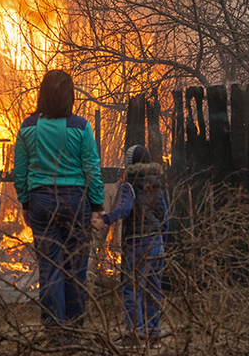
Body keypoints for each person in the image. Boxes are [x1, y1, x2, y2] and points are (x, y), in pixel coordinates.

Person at [13, 70, 104, 344]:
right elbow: (92, 169)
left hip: (41, 201)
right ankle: (75, 331)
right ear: (70, 95)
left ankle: (55, 334)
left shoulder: (28, 126)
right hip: (75, 201)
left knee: (50, 267)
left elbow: (20, 170)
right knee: (75, 268)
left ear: (42, 93)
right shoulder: (81, 126)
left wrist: (26, 202)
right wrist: (97, 206)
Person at [102, 145, 168, 349]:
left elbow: (125, 208)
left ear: (130, 164)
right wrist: (162, 243)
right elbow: (165, 217)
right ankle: (154, 334)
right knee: (153, 290)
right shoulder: (156, 185)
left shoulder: (129, 186)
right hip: (156, 243)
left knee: (132, 290)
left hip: (137, 243)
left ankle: (136, 335)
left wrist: (106, 218)